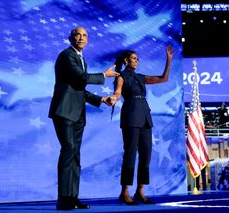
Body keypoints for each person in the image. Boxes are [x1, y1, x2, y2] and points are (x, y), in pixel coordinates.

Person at [48, 27, 119, 210]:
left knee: (76, 155)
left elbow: (79, 89)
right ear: (70, 37)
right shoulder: (67, 56)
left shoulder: (81, 58)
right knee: (68, 149)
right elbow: (81, 78)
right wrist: (104, 75)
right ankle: (63, 199)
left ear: (87, 40)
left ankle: (72, 197)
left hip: (78, 114)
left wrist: (100, 99)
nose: (81, 37)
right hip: (64, 111)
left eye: (85, 35)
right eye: (77, 34)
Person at [109, 45, 173, 205]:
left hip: (145, 116)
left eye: (138, 59)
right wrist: (113, 98)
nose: (137, 61)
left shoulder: (140, 77)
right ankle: (124, 192)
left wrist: (169, 60)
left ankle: (140, 191)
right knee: (130, 154)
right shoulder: (121, 76)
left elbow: (163, 78)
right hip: (130, 116)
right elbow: (117, 92)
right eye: (134, 58)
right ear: (126, 61)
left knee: (146, 155)